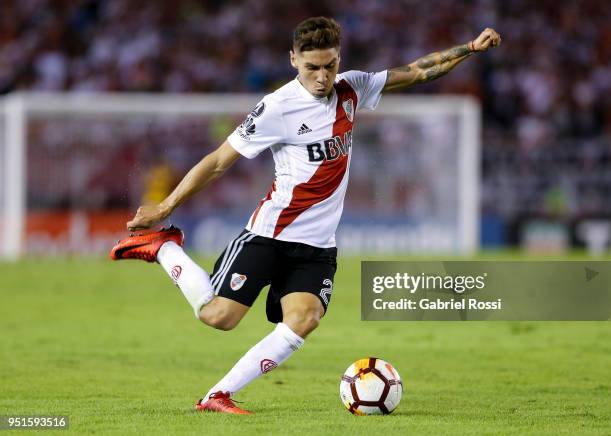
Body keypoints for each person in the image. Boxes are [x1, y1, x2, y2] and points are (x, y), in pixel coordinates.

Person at [111, 17, 501, 414]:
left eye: (329, 65)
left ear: (338, 59)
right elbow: (216, 162)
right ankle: (164, 248)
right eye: (312, 67)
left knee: (306, 318)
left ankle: (217, 395)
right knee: (219, 316)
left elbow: (417, 71)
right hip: (270, 234)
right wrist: (165, 207)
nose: (322, 76)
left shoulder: (352, 88)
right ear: (293, 60)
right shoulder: (277, 107)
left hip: (317, 246)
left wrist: (469, 49)